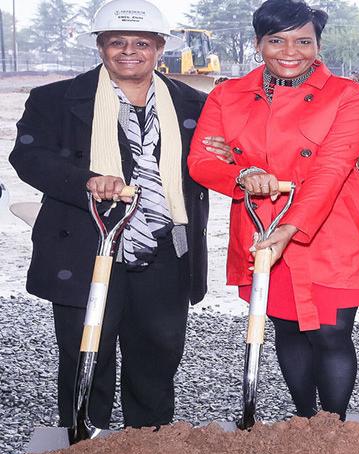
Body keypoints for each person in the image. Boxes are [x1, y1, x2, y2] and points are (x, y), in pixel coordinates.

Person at [9, 0, 209, 430]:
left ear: (159, 47)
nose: (128, 51)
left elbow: (210, 163)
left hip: (165, 251)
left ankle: (148, 450)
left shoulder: (192, 103)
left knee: (156, 358)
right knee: (87, 355)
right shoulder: (55, 100)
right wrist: (85, 180)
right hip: (85, 248)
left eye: (141, 42)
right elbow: (28, 156)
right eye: (116, 41)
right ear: (100, 46)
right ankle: (84, 449)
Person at [189, 0, 359, 420]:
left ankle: (332, 426)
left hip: (329, 225)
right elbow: (201, 161)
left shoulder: (347, 97)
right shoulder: (227, 95)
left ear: (318, 44)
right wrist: (240, 175)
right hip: (261, 221)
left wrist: (291, 226)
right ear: (258, 43)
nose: (290, 51)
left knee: (331, 330)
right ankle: (304, 422)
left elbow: (331, 170)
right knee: (287, 327)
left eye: (303, 41)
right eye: (276, 40)